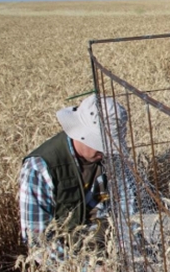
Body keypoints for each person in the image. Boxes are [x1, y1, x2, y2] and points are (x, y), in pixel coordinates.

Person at [18, 94, 132, 263]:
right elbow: (38, 241)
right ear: (81, 134)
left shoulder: (111, 158)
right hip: (63, 263)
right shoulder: (40, 168)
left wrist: (125, 251)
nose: (106, 152)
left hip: (106, 250)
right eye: (100, 144)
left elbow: (127, 207)